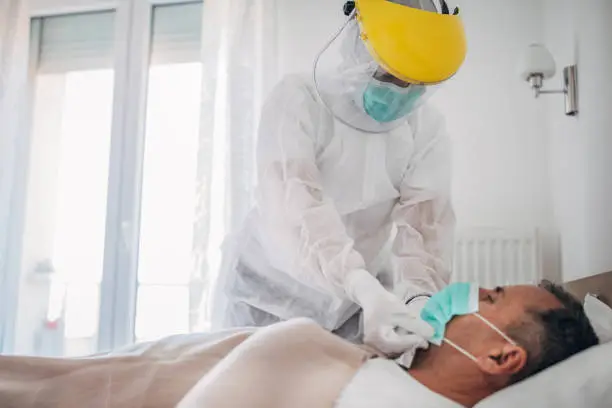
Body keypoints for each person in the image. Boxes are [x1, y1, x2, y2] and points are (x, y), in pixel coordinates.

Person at [210, 0, 468, 355]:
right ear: (357, 44)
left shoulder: (427, 129)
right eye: (389, 75)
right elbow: (296, 206)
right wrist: (359, 283)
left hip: (355, 305)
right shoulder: (300, 100)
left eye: (415, 83)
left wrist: (419, 298)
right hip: (268, 292)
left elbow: (426, 228)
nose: (400, 91)